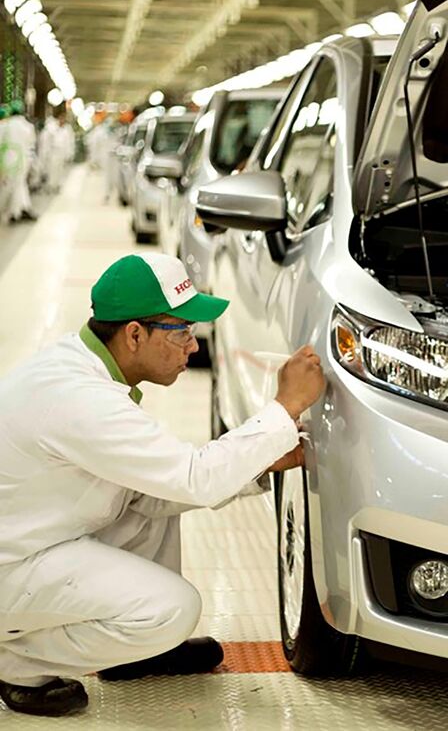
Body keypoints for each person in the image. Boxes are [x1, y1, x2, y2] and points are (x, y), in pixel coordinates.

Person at [0, 252, 325, 717]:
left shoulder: (85, 368)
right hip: (13, 567)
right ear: (135, 334)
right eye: (182, 332)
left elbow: (163, 484)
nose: (193, 347)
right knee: (174, 608)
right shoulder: (81, 399)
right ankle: (18, 664)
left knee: (152, 501)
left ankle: (140, 654)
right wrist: (285, 406)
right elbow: (196, 479)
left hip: (30, 540)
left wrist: (258, 464)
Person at [0, 99, 38, 224]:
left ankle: (15, 212)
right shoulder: (28, 126)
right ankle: (21, 210)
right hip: (23, 161)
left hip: (7, 160)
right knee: (19, 185)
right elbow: (32, 145)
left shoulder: (5, 125)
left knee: (9, 186)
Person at [40, 112, 75, 193]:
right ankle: (51, 186)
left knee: (60, 170)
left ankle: (58, 186)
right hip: (53, 152)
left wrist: (69, 154)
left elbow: (70, 142)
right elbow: (47, 142)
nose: (62, 120)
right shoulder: (52, 128)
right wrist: (46, 153)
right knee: (52, 170)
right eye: (61, 118)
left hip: (62, 153)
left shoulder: (67, 129)